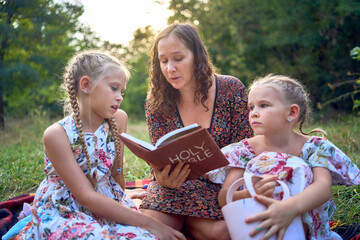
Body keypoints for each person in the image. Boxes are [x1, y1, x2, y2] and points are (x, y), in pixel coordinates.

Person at [17, 50, 185, 240]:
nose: (120, 97)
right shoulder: (57, 134)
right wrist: (151, 223)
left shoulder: (118, 119)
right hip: (66, 208)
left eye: (122, 91)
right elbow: (85, 197)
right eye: (113, 88)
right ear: (86, 85)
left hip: (106, 202)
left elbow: (116, 174)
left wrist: (124, 197)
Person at [139, 22, 254, 240]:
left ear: (197, 56)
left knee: (223, 234)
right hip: (173, 187)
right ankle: (185, 226)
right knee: (148, 233)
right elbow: (158, 157)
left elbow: (247, 149)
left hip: (220, 188)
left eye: (178, 58)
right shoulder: (156, 101)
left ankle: (188, 226)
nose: (169, 68)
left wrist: (227, 191)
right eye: (163, 61)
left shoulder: (231, 89)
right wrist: (161, 177)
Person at [219, 74, 360, 240]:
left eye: (263, 105)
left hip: (308, 231)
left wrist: (289, 208)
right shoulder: (245, 151)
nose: (254, 113)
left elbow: (323, 188)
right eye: (251, 107)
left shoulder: (314, 147)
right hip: (260, 231)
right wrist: (249, 192)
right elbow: (224, 196)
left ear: (292, 112)